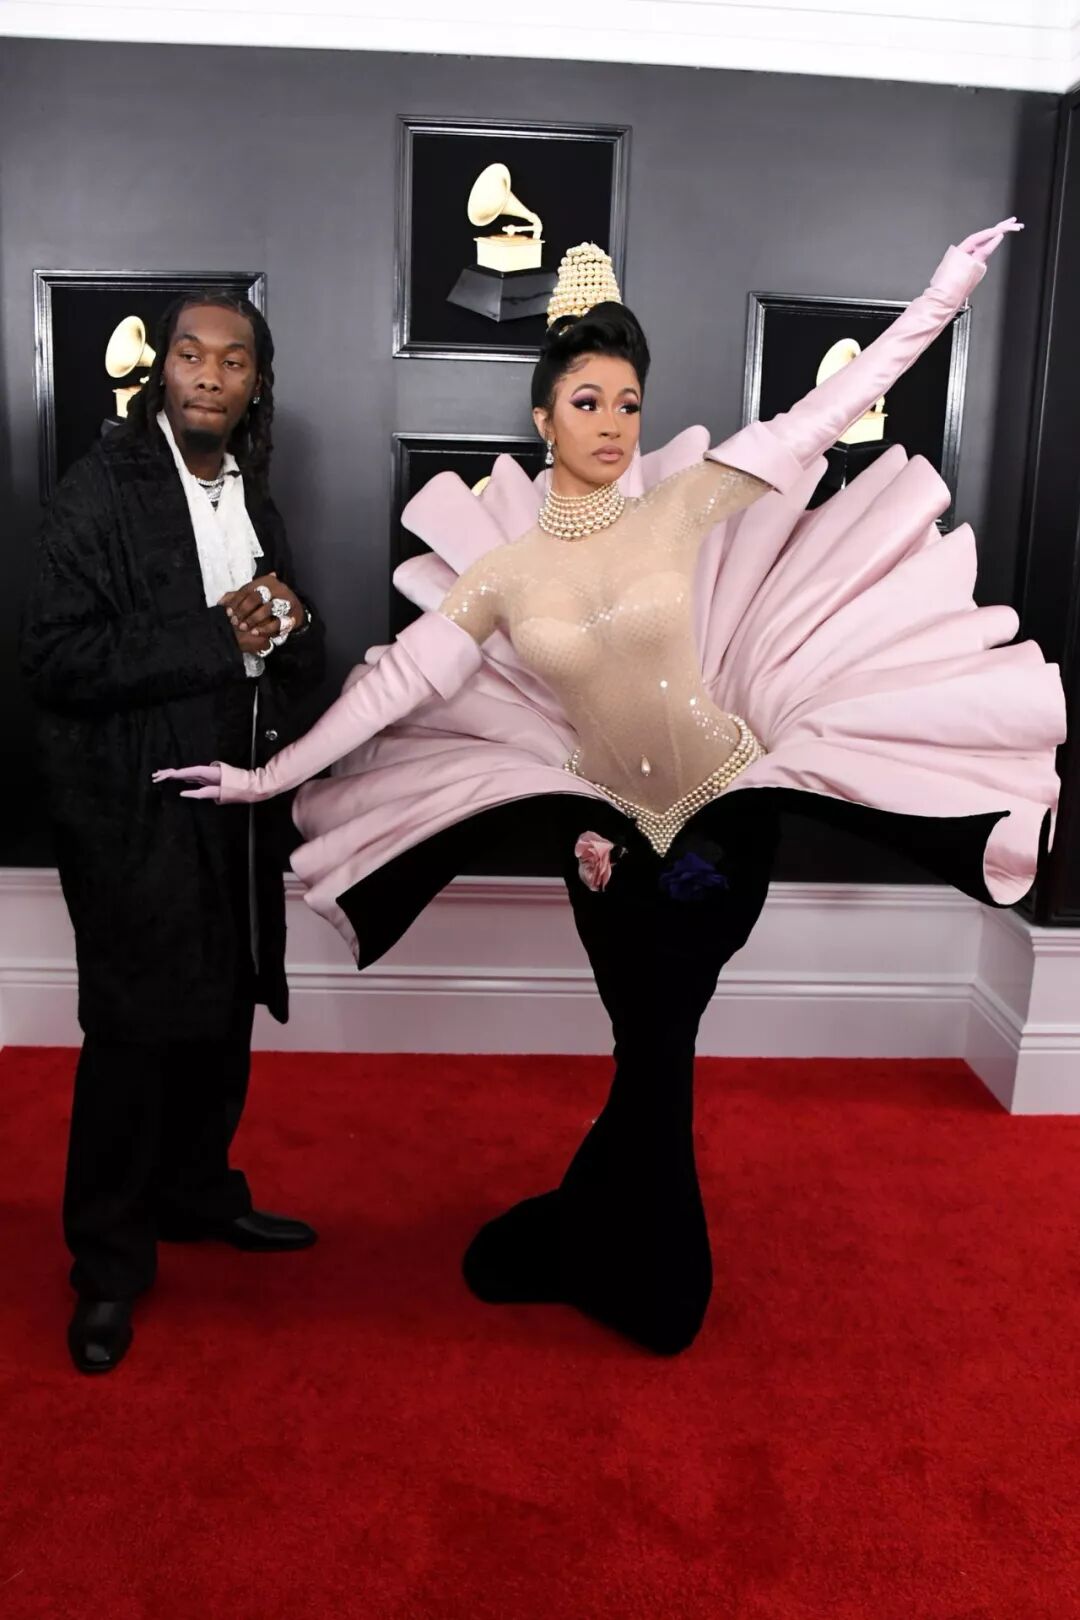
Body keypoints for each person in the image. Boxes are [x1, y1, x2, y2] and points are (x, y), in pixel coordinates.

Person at [158, 223, 1065, 1357]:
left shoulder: (678, 508)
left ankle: (655, 1277)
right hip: (605, 841)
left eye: (629, 404)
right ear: (544, 418)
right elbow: (391, 688)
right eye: (587, 402)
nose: (613, 426)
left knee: (659, 1043)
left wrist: (945, 290)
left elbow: (827, 410)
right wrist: (266, 778)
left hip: (725, 821)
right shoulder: (502, 577)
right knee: (649, 1051)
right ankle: (597, 1229)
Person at [21, 292, 327, 1374]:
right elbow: (55, 658)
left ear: (254, 385)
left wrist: (293, 627)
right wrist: (217, 636)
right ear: (165, 373)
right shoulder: (99, 489)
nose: (209, 373)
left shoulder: (253, 494)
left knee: (223, 1006)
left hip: (236, 802)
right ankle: (107, 1266)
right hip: (130, 806)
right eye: (191, 354)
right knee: (134, 1033)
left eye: (233, 361)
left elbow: (290, 644)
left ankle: (197, 1193)